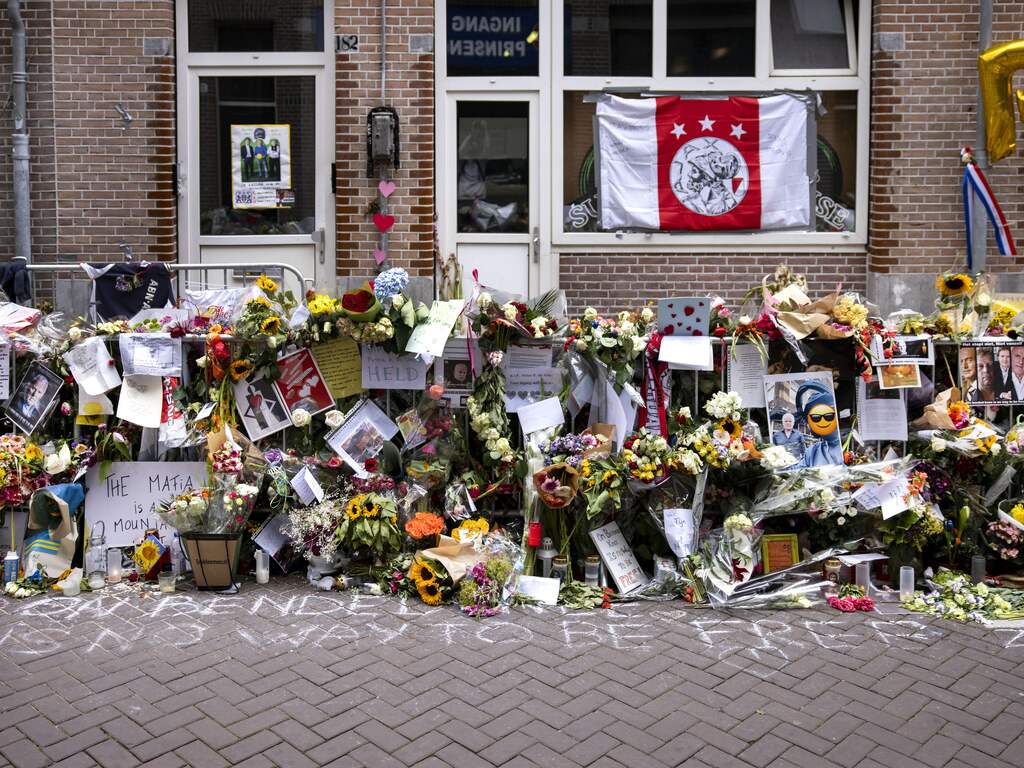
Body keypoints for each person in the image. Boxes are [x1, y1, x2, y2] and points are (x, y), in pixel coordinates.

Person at [791, 380, 843, 468]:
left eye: (828, 416)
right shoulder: (812, 452)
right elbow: (796, 470)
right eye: (816, 418)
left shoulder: (852, 441)